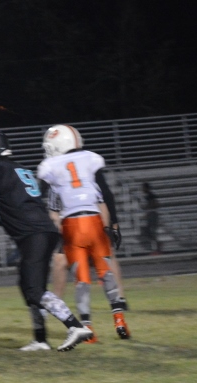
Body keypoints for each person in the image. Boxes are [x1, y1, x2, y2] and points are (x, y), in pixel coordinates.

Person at [0, 129, 93, 352]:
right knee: (28, 286)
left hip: (34, 235)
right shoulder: (15, 168)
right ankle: (40, 339)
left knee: (34, 290)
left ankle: (75, 326)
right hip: (41, 231)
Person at [37, 124, 130, 341]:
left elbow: (44, 200)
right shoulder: (89, 160)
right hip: (93, 219)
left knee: (79, 276)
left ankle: (85, 325)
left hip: (71, 223)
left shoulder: (52, 168)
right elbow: (104, 195)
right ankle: (119, 314)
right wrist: (113, 225)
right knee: (104, 266)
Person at [142, 182, 161, 254]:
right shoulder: (147, 196)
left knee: (153, 232)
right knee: (149, 232)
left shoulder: (151, 196)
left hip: (153, 215)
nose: (142, 190)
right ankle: (156, 248)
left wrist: (148, 207)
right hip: (150, 215)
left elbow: (156, 204)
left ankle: (158, 248)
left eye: (143, 188)